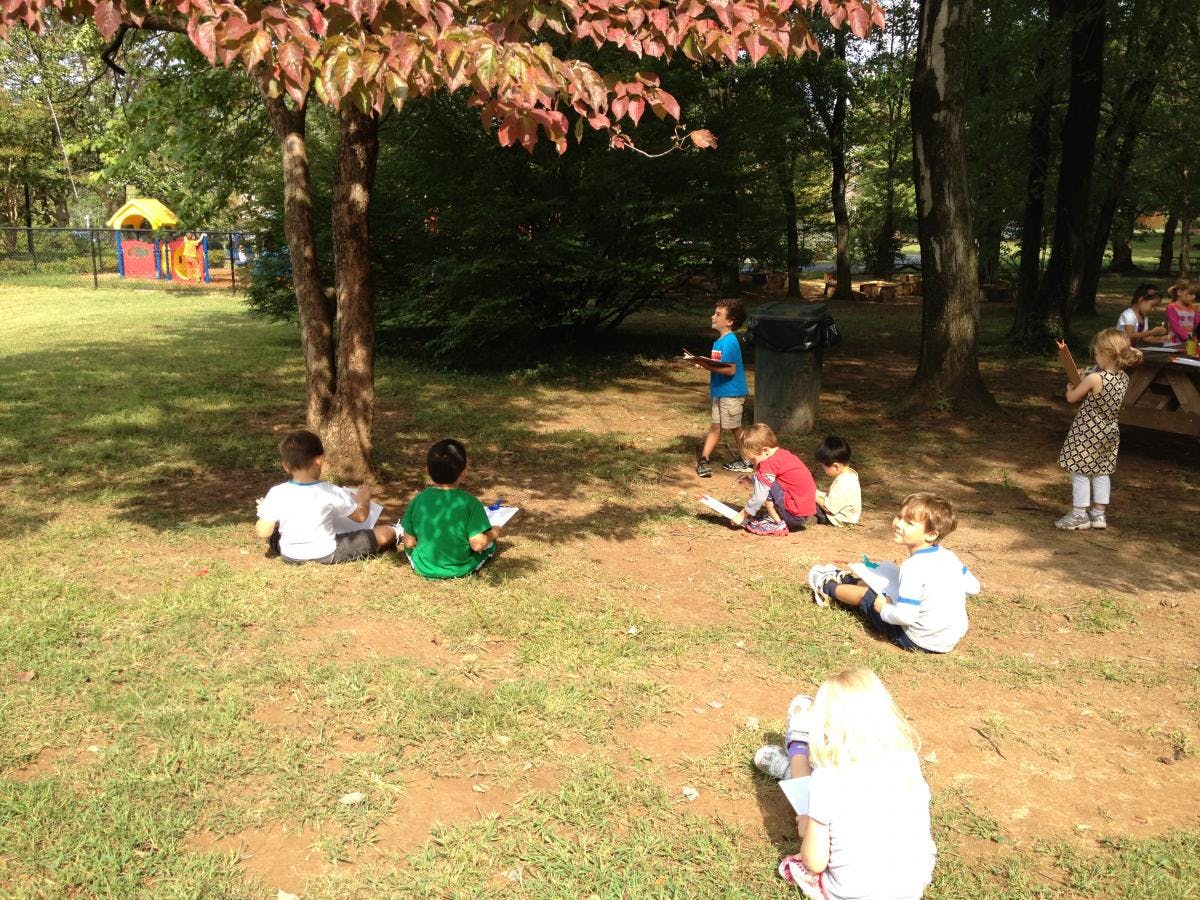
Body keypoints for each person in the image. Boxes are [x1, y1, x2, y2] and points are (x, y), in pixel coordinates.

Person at [753, 668, 936, 900]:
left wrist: (808, 827)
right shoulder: (907, 760)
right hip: (910, 887)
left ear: (824, 730)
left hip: (852, 894)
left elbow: (815, 862)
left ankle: (798, 754)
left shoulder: (827, 780)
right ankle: (797, 763)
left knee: (812, 806)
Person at [805, 493, 979, 653]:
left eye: (909, 523)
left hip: (917, 640)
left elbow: (906, 616)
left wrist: (883, 608)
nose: (899, 524)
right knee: (889, 583)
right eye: (899, 516)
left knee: (869, 595)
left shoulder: (913, 567)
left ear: (931, 535)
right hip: (948, 639)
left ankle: (826, 586)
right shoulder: (949, 556)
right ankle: (847, 579)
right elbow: (974, 587)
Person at [254, 430, 396, 564]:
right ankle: (397, 530)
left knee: (275, 535)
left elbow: (263, 532)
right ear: (319, 460)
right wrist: (363, 501)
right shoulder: (331, 491)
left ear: (285, 466)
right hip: (326, 554)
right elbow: (360, 517)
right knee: (383, 533)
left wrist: (266, 514)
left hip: (290, 556)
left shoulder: (277, 492)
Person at [1054, 328, 1142, 530]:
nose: (1095, 357)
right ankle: (1099, 514)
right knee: (1102, 472)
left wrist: (1071, 385)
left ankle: (1079, 514)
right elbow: (1101, 392)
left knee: (1080, 471)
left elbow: (1072, 397)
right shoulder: (1123, 378)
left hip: (1087, 432)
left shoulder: (1095, 379)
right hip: (1109, 432)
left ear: (1104, 353)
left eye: (1095, 353)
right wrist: (1086, 376)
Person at [402, 438, 501, 578]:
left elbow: (409, 542)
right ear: (464, 473)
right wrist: (494, 532)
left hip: (423, 567)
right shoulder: (470, 502)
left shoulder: (418, 500)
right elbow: (477, 545)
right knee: (490, 546)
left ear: (427, 470)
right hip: (461, 568)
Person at [690, 299, 752, 477]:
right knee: (716, 426)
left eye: (718, 314)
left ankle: (747, 460)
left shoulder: (730, 341)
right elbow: (718, 365)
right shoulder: (718, 342)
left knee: (734, 427)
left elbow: (730, 370)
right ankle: (704, 460)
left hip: (731, 393)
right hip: (720, 392)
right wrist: (702, 363)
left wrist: (705, 365)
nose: (713, 316)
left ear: (729, 321)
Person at [720, 423, 816, 535]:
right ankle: (779, 517)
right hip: (803, 510)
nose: (753, 464)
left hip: (794, 514)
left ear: (765, 450)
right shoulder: (783, 455)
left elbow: (759, 497)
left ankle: (777, 523)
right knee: (761, 479)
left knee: (763, 482)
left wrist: (741, 516)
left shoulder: (768, 464)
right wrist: (752, 482)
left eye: (753, 460)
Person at [813, 435, 861, 527]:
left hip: (837, 518)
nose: (823, 469)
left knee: (808, 502)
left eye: (824, 467)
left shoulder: (844, 482)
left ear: (836, 466)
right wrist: (816, 492)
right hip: (842, 516)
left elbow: (829, 508)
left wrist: (812, 494)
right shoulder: (849, 476)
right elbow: (831, 498)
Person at [1163, 277, 1198, 345]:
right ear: (1179, 292)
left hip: (1188, 344)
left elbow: (1197, 323)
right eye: (1191, 294)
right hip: (1173, 345)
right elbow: (1176, 327)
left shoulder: (1192, 308)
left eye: (1194, 294)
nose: (1194, 297)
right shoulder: (1171, 307)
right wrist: (1189, 339)